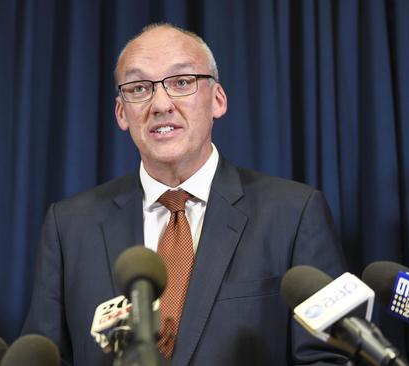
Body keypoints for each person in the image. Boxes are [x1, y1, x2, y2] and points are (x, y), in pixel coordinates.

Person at [22, 23, 348, 365]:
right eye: (138, 88)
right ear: (121, 113)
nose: (161, 104)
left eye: (181, 83)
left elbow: (328, 358)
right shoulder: (70, 226)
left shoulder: (293, 214)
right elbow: (44, 356)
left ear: (217, 100)